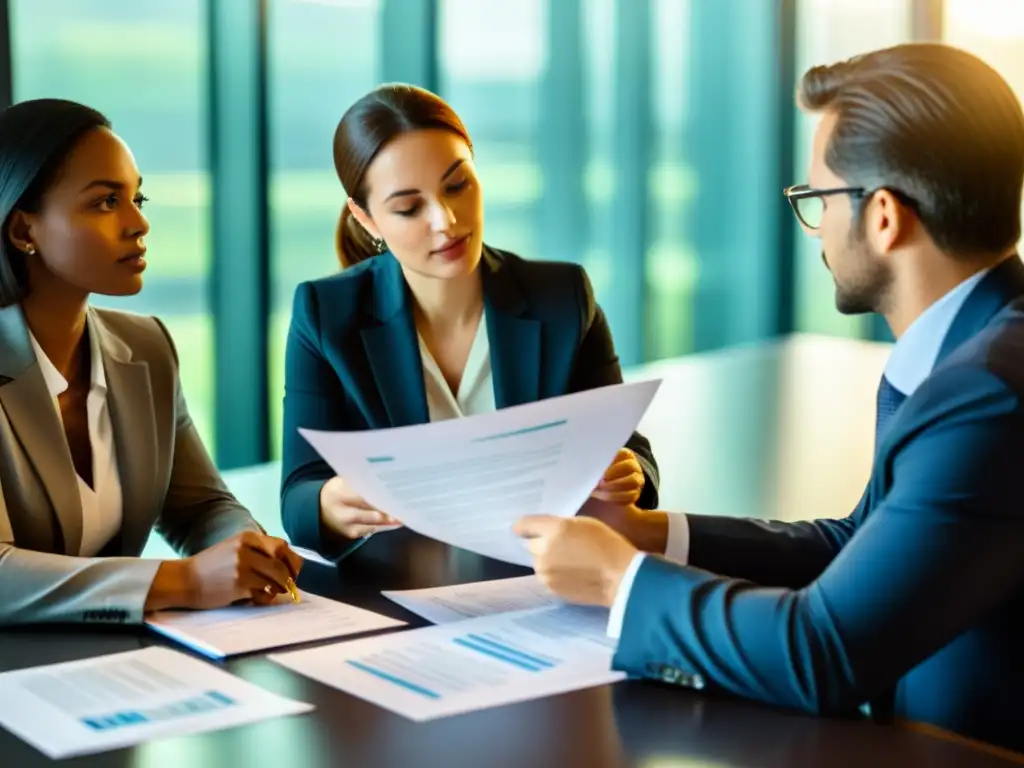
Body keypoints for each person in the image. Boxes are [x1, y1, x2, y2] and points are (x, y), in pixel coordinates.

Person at [515, 43, 1024, 753]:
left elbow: (823, 652)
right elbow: (856, 547)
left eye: (817, 200)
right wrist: (651, 535)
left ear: (882, 216)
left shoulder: (986, 395)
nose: (814, 230)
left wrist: (617, 581)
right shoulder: (967, 349)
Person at [280, 83, 659, 559]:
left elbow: (630, 451)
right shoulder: (324, 314)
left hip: (544, 582)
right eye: (408, 208)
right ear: (367, 219)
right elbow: (298, 494)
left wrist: (629, 473)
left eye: (457, 185)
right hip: (404, 597)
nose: (446, 220)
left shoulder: (561, 298)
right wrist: (328, 505)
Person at [0, 98, 301, 626]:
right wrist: (183, 580)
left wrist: (246, 548)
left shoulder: (146, 347)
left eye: (137, 197)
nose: (138, 223)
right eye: (105, 202)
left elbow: (200, 508)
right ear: (24, 231)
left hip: (117, 666)